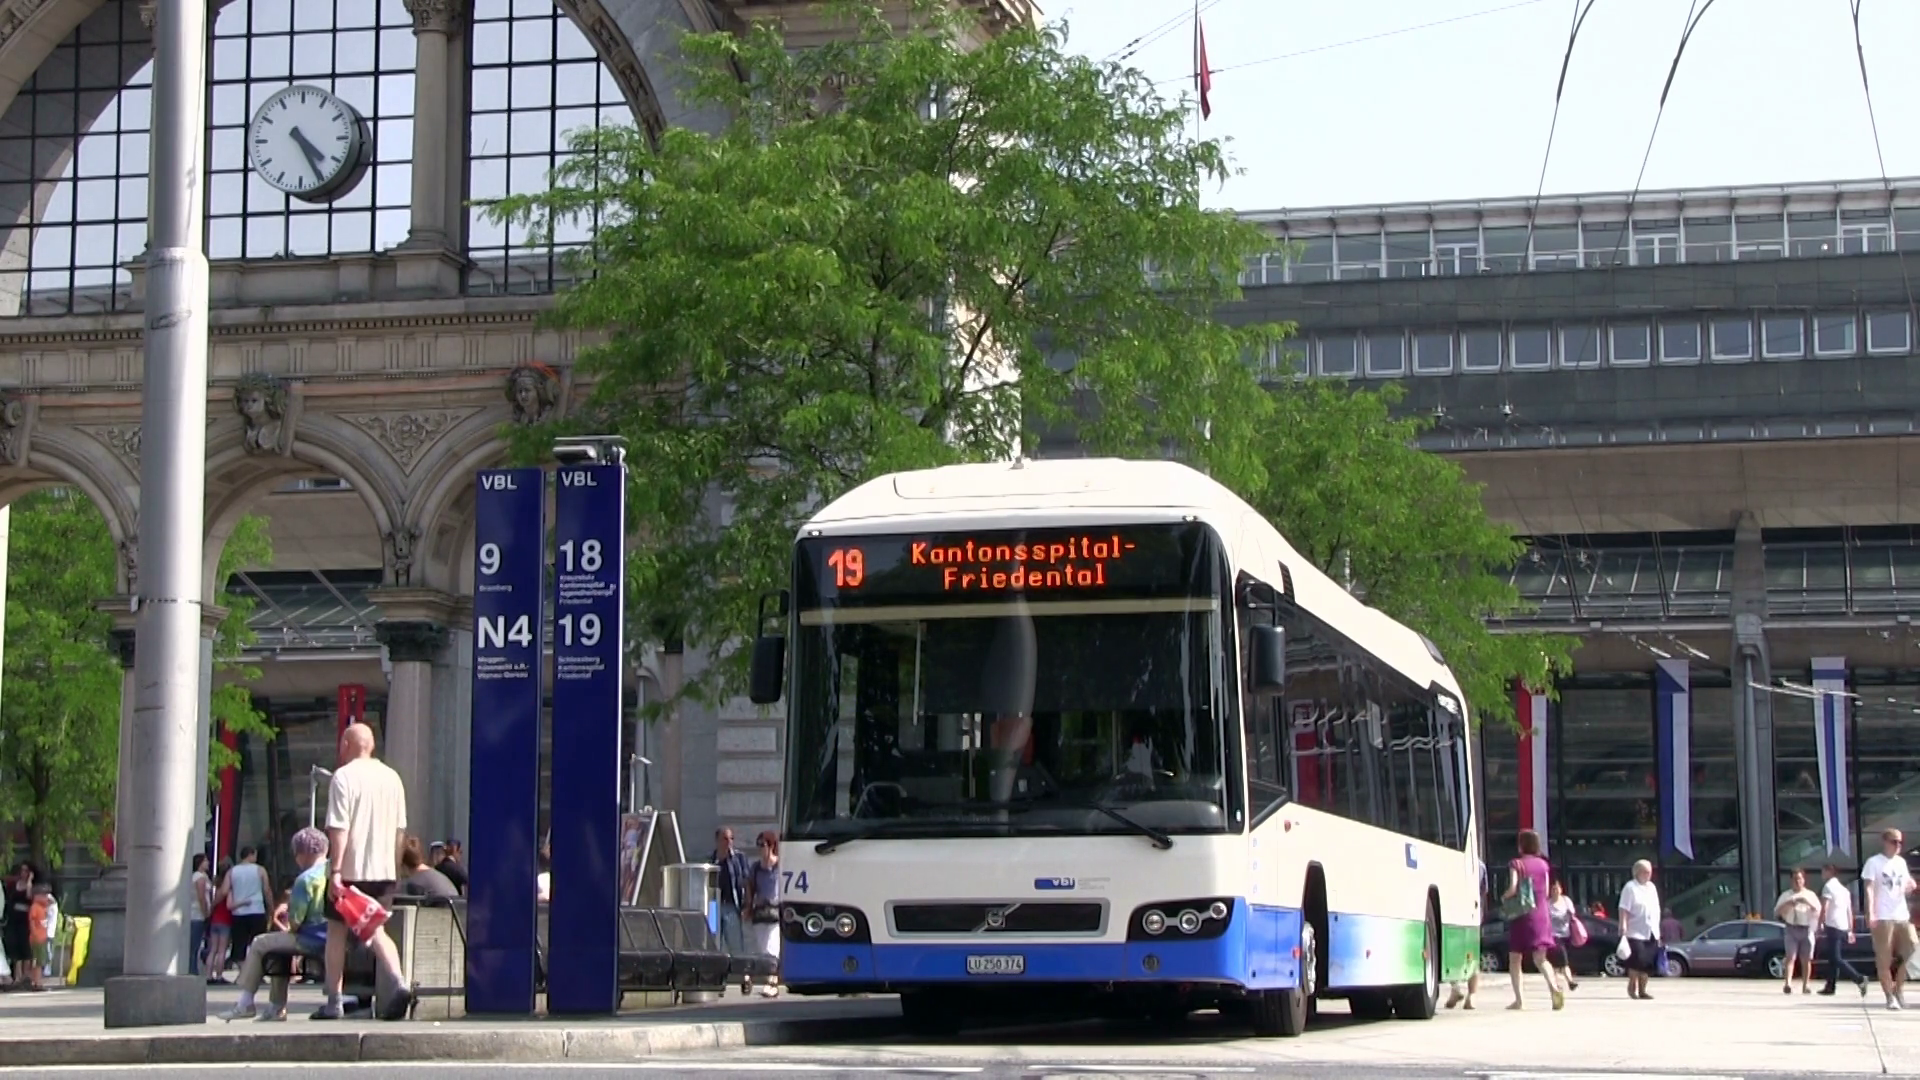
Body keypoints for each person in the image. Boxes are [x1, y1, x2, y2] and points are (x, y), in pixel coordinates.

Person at [319, 722, 411, 1021]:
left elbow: (339, 827)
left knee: (336, 932)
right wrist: (395, 868)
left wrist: (335, 870)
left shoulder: (343, 777)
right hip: (383, 870)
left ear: (346, 745)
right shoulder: (393, 778)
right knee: (377, 929)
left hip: (350, 870)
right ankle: (399, 981)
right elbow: (400, 830)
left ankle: (334, 1000)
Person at [217, 828, 331, 1022]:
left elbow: (295, 922)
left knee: (261, 942)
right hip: (333, 938)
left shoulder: (305, 880)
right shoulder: (332, 871)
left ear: (303, 853)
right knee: (278, 948)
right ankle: (274, 1008)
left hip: (310, 939)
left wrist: (288, 919)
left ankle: (246, 1003)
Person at [1501, 829, 1564, 1011]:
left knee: (1515, 958)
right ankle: (1554, 988)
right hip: (1541, 914)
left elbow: (1513, 888)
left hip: (1522, 915)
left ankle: (1519, 1000)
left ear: (1521, 845)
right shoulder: (1544, 865)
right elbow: (1546, 891)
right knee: (1541, 958)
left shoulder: (1516, 863)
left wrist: (1504, 897)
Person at [1862, 827, 1916, 1011]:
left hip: (1901, 915)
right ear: (1885, 842)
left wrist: (1911, 884)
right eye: (1894, 841)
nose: (1898, 845)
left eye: (1900, 842)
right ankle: (1890, 996)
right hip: (1883, 916)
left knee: (1912, 950)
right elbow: (1869, 888)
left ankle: (1898, 989)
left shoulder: (1901, 862)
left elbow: (1907, 882)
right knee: (1884, 958)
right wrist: (1870, 912)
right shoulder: (1873, 862)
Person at [218, 846, 272, 973]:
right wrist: (271, 907)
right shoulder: (260, 870)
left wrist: (214, 904)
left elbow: (224, 891)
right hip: (257, 910)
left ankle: (243, 972)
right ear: (251, 855)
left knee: (239, 945)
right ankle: (256, 973)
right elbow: (266, 890)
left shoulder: (232, 871)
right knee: (258, 944)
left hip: (238, 913)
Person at [1819, 862, 1870, 997]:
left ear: (1829, 872)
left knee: (1836, 958)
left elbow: (1825, 907)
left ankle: (1859, 978)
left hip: (1833, 925)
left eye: (1823, 872)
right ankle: (1830, 986)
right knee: (1832, 957)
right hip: (1843, 926)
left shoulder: (1828, 887)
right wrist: (1850, 929)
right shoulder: (1844, 890)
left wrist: (1820, 922)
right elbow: (1849, 911)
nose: (1822, 875)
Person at [1617, 859, 1663, 1001]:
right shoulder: (1630, 887)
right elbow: (1623, 908)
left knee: (1647, 963)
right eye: (1646, 872)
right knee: (1637, 962)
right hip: (1635, 931)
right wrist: (1623, 925)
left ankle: (1643, 990)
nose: (1649, 875)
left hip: (1651, 931)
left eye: (1650, 872)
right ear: (1637, 873)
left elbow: (1655, 909)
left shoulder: (1652, 887)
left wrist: (1658, 931)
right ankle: (1632, 987)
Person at [745, 832, 782, 998]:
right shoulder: (756, 868)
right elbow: (750, 888)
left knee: (772, 947)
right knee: (763, 948)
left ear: (771, 846)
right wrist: (748, 907)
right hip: (760, 911)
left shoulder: (779, 866)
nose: (760, 848)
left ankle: (772, 982)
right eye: (758, 845)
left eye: (763, 845)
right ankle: (767, 979)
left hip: (775, 911)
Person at [1774, 867, 1822, 995]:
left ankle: (1806, 985)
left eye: (1800, 879)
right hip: (1791, 928)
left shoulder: (1810, 895)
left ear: (1804, 880)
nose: (1798, 881)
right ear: (1791, 880)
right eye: (1795, 879)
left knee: (1806, 959)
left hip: (1806, 928)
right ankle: (1788, 984)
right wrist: (1789, 904)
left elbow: (1818, 911)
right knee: (1790, 957)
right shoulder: (1786, 895)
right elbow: (1777, 912)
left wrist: (1807, 903)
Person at [710, 828, 751, 956]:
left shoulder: (738, 858)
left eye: (731, 839)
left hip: (731, 905)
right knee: (712, 943)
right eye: (725, 839)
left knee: (735, 945)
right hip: (713, 906)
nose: (729, 842)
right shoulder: (711, 860)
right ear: (717, 841)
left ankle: (738, 967)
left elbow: (746, 881)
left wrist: (747, 904)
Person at [3, 863, 34, 990]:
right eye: (22, 870)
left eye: (26, 871)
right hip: (14, 919)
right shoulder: (14, 885)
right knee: (14, 947)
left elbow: (29, 897)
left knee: (25, 948)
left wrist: (29, 881)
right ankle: (17, 976)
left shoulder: (31, 886)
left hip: (25, 921)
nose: (23, 873)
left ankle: (26, 977)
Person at [1546, 880, 1581, 992]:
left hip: (1567, 934)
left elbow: (1572, 914)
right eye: (1553, 889)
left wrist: (1570, 914)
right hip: (1554, 936)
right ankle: (1570, 981)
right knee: (1563, 960)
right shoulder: (1548, 904)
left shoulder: (1566, 900)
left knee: (1559, 964)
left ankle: (1557, 984)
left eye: (1557, 888)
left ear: (1561, 889)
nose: (1555, 891)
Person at [204, 860, 234, 983]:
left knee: (213, 950)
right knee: (222, 951)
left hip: (215, 919)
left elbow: (214, 903)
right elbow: (229, 905)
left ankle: (208, 975)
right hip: (225, 920)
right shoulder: (229, 889)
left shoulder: (216, 887)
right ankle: (219, 976)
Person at [189, 854, 213, 976]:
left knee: (195, 944)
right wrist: (206, 912)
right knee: (195, 944)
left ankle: (193, 968)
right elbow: (201, 897)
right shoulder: (200, 878)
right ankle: (192, 970)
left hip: (194, 912)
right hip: (198, 914)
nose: (208, 862)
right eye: (205, 860)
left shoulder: (196, 876)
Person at [26, 884, 54, 991]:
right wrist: (35, 934)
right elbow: (32, 922)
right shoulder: (35, 907)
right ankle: (37, 982)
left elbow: (52, 902)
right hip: (37, 938)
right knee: (38, 962)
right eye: (43, 895)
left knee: (41, 961)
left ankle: (38, 981)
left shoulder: (43, 907)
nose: (46, 898)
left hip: (42, 937)